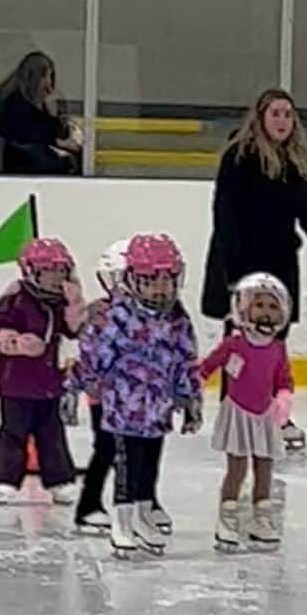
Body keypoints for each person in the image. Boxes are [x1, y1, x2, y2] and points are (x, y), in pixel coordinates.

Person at [201, 87, 307, 450]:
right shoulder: (240, 156)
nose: (282, 120)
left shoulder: (296, 164)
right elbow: (225, 214)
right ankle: (235, 414)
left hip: (280, 264)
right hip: (242, 264)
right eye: (275, 113)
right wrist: (234, 275)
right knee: (240, 345)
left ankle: (272, 413)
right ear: (260, 117)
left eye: (288, 114)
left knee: (273, 346)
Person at [75, 233, 200, 558]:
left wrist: (189, 399)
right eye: (150, 281)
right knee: (127, 466)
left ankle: (144, 516)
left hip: (157, 411)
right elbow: (97, 357)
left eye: (167, 280)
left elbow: (185, 361)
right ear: (133, 280)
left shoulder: (177, 319)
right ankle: (122, 521)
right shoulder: (119, 316)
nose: (160, 288)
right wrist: (77, 385)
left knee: (150, 465)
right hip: (124, 411)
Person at [198, 273, 293, 552]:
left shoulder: (278, 348)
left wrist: (284, 397)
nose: (266, 312)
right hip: (237, 413)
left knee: (265, 466)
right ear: (244, 308)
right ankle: (227, 517)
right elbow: (209, 365)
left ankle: (261, 516)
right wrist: (194, 384)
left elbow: (283, 378)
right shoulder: (236, 344)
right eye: (259, 305)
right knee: (236, 467)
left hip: (264, 415)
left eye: (273, 306)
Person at [0, 237, 84, 503]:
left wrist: (76, 307)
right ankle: (7, 479)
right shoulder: (16, 297)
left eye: (61, 270)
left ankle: (59, 479)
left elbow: (73, 332)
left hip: (50, 382)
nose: (57, 277)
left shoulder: (61, 301)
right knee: (14, 431)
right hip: (16, 383)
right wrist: (14, 341)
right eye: (50, 271)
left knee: (51, 434)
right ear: (31, 271)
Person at [73, 240, 128, 535]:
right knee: (107, 449)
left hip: (137, 401)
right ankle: (89, 505)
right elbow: (90, 355)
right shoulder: (99, 314)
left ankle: (136, 503)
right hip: (106, 398)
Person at [0, 52, 82, 177]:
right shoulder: (12, 105)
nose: (49, 84)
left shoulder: (19, 100)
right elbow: (27, 133)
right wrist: (56, 135)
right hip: (14, 163)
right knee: (68, 163)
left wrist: (53, 114)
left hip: (16, 160)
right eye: (45, 77)